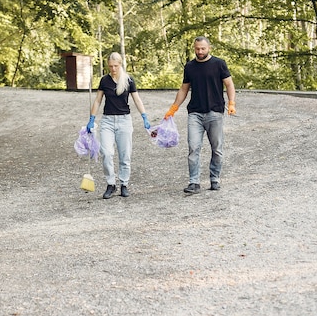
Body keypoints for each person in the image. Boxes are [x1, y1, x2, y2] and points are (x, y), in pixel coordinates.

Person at [164, 36, 236, 194]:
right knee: (193, 147)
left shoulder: (219, 64)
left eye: (203, 48)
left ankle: (215, 178)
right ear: (194, 48)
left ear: (208, 47)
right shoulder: (190, 66)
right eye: (197, 49)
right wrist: (173, 108)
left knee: (217, 148)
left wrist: (231, 103)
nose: (200, 51)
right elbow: (184, 89)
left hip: (215, 111)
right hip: (195, 113)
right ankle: (194, 182)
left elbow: (229, 84)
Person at [86, 52, 150, 199]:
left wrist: (144, 117)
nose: (113, 69)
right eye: (110, 66)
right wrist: (91, 119)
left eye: (116, 66)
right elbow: (97, 100)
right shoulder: (104, 81)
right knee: (107, 153)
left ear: (120, 64)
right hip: (107, 121)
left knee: (125, 155)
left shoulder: (128, 80)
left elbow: (137, 99)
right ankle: (111, 184)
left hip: (124, 121)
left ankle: (124, 184)